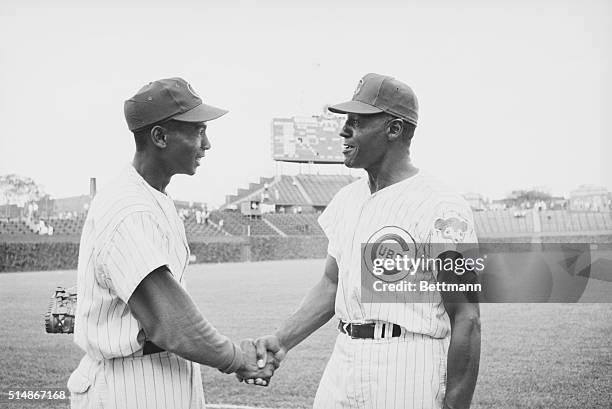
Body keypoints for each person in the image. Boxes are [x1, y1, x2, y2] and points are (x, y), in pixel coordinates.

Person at [251, 73, 481, 408]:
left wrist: (455, 405)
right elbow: (332, 283)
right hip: (343, 359)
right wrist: (282, 340)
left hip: (407, 363)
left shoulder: (441, 205)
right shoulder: (347, 199)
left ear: (393, 129)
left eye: (356, 122)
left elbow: (467, 317)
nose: (344, 130)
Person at [68, 77, 277, 409]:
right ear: (160, 136)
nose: (206, 144)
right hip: (130, 384)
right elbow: (169, 320)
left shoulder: (153, 198)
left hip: (160, 373)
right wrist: (237, 358)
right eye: (197, 131)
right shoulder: (128, 209)